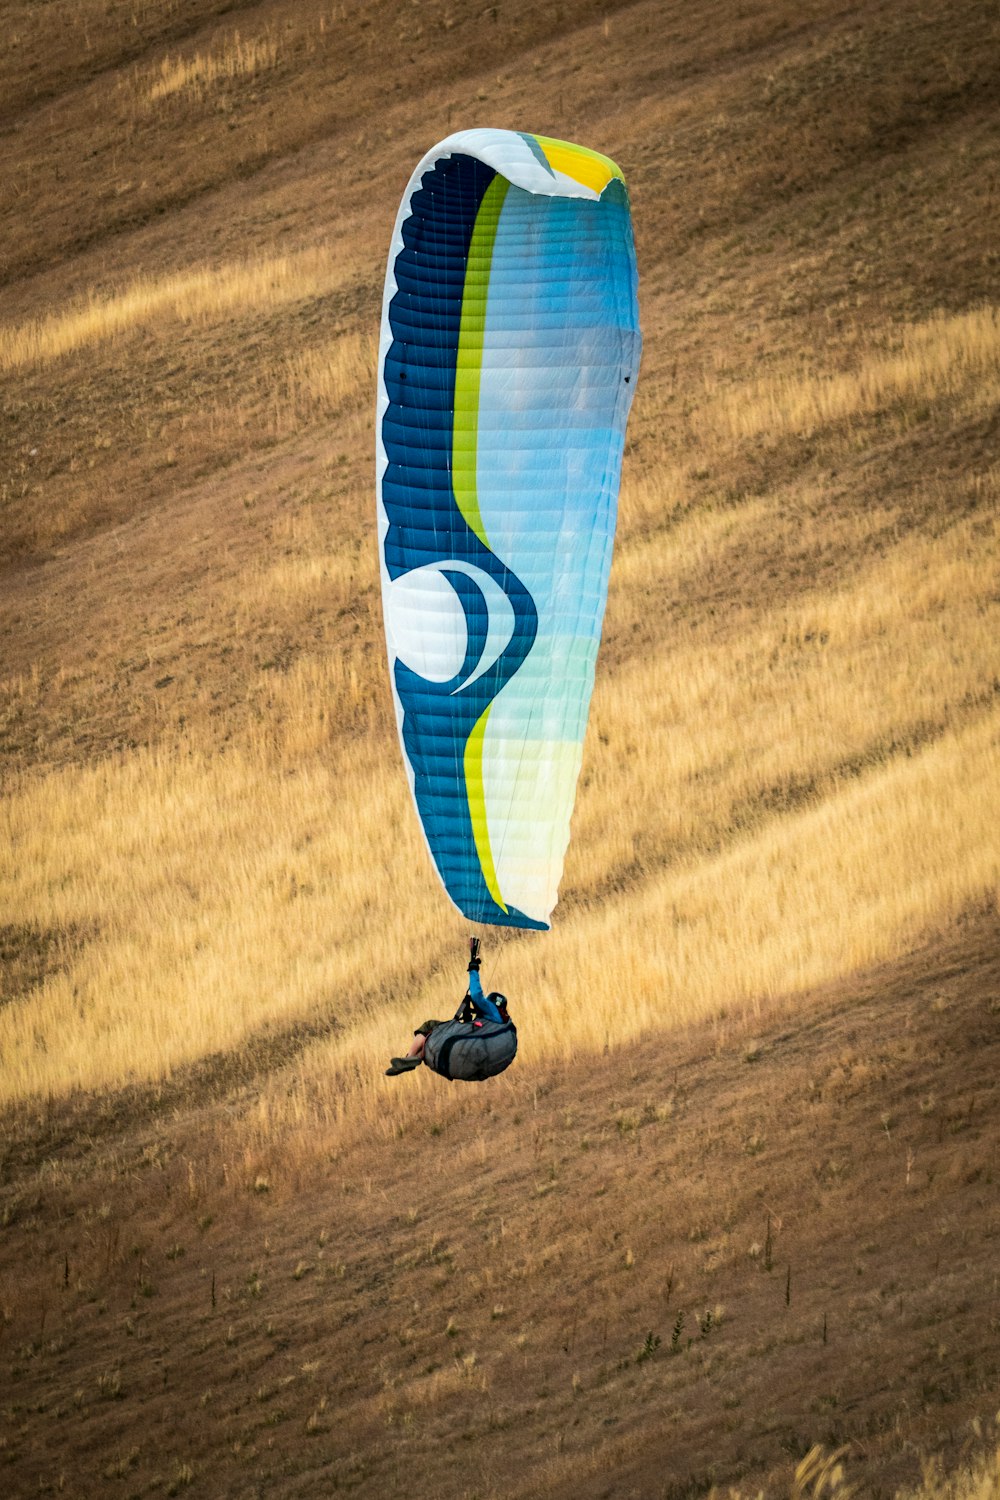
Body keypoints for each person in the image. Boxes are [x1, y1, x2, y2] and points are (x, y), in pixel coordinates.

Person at [385, 938, 510, 1076]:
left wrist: (473, 969)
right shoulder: (498, 1023)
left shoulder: (491, 1010)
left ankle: (409, 1058)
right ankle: (412, 1060)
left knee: (429, 1026)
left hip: (466, 1037)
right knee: (433, 1037)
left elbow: (476, 995)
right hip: (475, 1043)